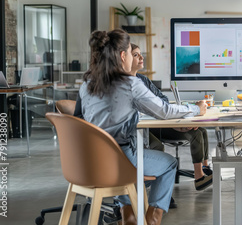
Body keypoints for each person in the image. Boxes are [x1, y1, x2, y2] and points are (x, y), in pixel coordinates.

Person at [78, 29, 207, 225]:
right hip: (120, 162)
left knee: (125, 161)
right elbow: (163, 110)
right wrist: (196, 109)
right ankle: (153, 219)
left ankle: (128, 215)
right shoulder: (130, 83)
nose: (133, 57)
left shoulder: (87, 82)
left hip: (89, 162)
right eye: (131, 53)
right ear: (123, 56)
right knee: (168, 164)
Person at [129, 44, 213, 191]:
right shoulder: (127, 85)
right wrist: (154, 108)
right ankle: (160, 189)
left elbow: (163, 101)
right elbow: (160, 107)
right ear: (125, 58)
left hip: (159, 121)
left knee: (199, 130)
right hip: (146, 128)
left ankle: (204, 170)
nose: (142, 57)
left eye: (140, 54)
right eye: (136, 55)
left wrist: (156, 108)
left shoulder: (143, 80)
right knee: (157, 147)